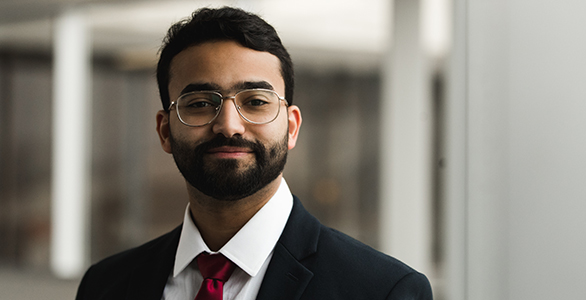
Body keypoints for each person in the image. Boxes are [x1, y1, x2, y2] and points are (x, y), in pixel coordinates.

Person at [75, 6, 432, 300]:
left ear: (291, 127)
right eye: (200, 103)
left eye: (256, 101)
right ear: (165, 130)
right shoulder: (105, 286)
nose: (228, 125)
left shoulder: (382, 292)